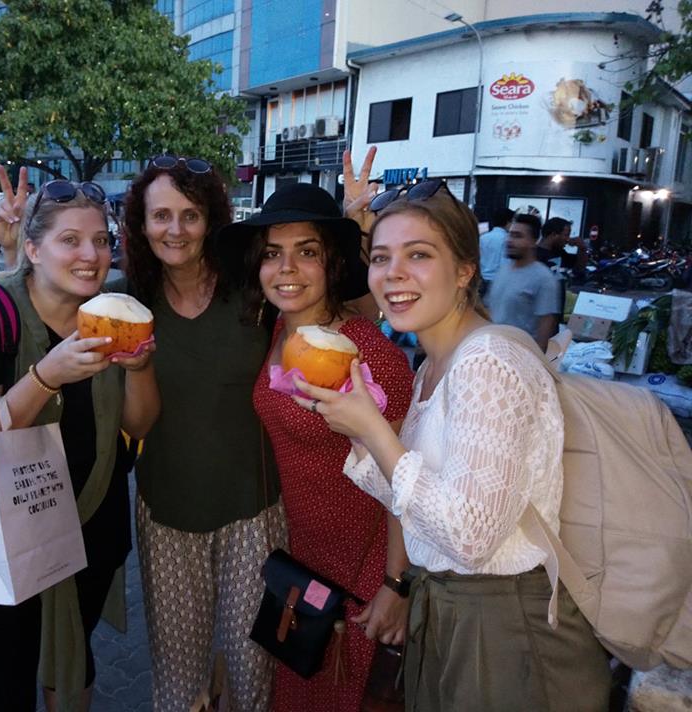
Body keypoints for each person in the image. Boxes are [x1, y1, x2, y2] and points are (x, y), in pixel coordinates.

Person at [296, 178, 611, 711]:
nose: (393, 273)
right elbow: (412, 496)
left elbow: (470, 536)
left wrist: (374, 430)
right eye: (380, 257)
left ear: (465, 270)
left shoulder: (488, 364)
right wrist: (357, 431)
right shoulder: (431, 368)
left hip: (502, 622)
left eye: (418, 255)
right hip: (445, 608)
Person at [0, 165, 160, 712]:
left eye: (101, 240)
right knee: (11, 666)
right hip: (10, 528)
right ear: (32, 250)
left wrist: (142, 366)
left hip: (92, 518)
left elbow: (140, 426)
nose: (91, 255)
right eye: (70, 240)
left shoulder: (113, 316)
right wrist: (45, 375)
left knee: (74, 652)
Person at [216, 182, 414, 712]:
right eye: (272, 255)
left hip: (363, 569)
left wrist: (395, 586)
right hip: (304, 561)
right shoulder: (280, 328)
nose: (287, 269)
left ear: (331, 263)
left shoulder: (368, 358)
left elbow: (405, 483)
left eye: (307, 253)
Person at [119, 155, 287, 711]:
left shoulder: (253, 292)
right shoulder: (126, 304)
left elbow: (335, 309)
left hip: (254, 511)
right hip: (167, 512)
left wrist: (357, 230)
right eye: (161, 215)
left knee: (253, 670)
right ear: (141, 225)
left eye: (189, 215)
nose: (175, 229)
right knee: (177, 677)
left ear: (210, 219)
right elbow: (132, 422)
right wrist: (9, 254)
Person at [487, 213, 562, 352]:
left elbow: (545, 326)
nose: (509, 240)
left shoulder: (544, 279)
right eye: (509, 235)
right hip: (493, 350)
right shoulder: (503, 271)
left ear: (534, 241)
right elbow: (491, 311)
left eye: (517, 236)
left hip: (519, 356)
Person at [478, 206, 513, 295]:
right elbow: (505, 263)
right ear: (508, 222)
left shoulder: (483, 237)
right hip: (497, 281)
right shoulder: (507, 239)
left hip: (481, 280)